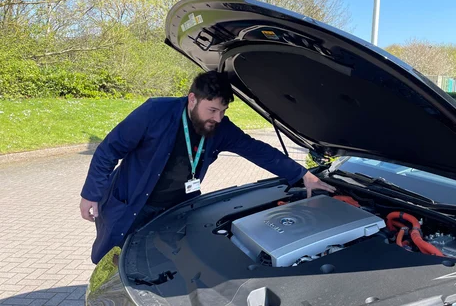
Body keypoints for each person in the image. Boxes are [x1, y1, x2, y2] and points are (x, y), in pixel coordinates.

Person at [79, 70, 336, 264]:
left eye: (223, 111)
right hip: (132, 204)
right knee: (117, 261)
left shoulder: (219, 128)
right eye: (212, 110)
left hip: (176, 208)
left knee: (163, 263)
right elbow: (109, 150)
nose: (218, 118)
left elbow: (257, 150)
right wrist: (91, 193)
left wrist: (302, 175)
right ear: (192, 99)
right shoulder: (154, 113)